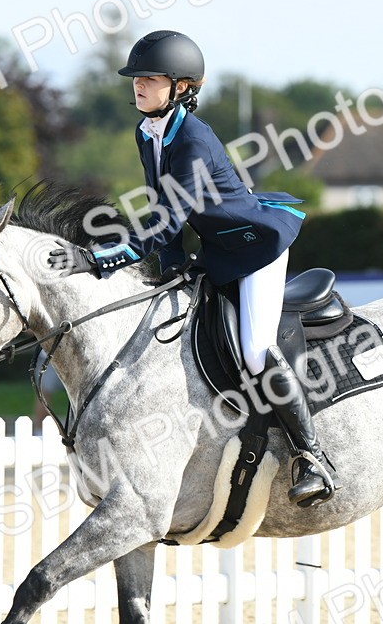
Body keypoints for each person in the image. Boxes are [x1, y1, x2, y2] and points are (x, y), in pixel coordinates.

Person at [46, 30, 338, 507]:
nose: (139, 85)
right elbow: (161, 210)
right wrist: (171, 268)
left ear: (181, 87)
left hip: (254, 248)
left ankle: (312, 458)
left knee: (255, 349)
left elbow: (165, 220)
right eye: (136, 78)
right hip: (216, 249)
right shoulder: (148, 132)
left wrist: (98, 259)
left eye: (150, 78)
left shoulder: (194, 140)